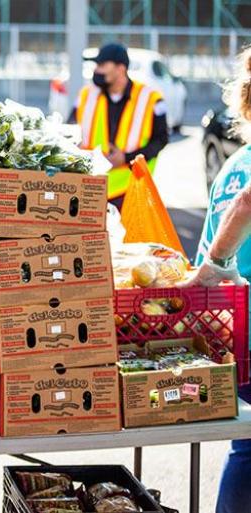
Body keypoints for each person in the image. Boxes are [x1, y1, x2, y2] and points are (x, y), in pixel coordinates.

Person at [190, 47, 251, 513]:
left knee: (246, 445)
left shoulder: (232, 165)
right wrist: (219, 259)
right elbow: (246, 205)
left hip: (232, 322)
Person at [70, 43, 169, 204]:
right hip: (90, 189)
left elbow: (161, 140)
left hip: (131, 191)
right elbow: (70, 132)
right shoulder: (86, 95)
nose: (97, 70)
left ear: (120, 69)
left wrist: (126, 158)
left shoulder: (150, 98)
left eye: (102, 65)